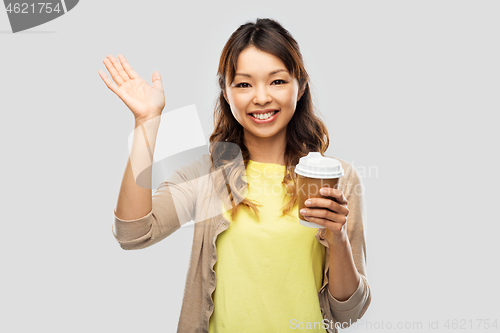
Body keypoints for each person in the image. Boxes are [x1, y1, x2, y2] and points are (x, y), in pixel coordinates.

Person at [99, 18, 371, 333]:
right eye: (243, 84)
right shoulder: (209, 173)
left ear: (301, 87)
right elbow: (133, 233)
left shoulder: (335, 177)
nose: (261, 97)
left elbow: (348, 312)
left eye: (277, 81)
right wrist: (146, 120)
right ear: (227, 94)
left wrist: (336, 237)